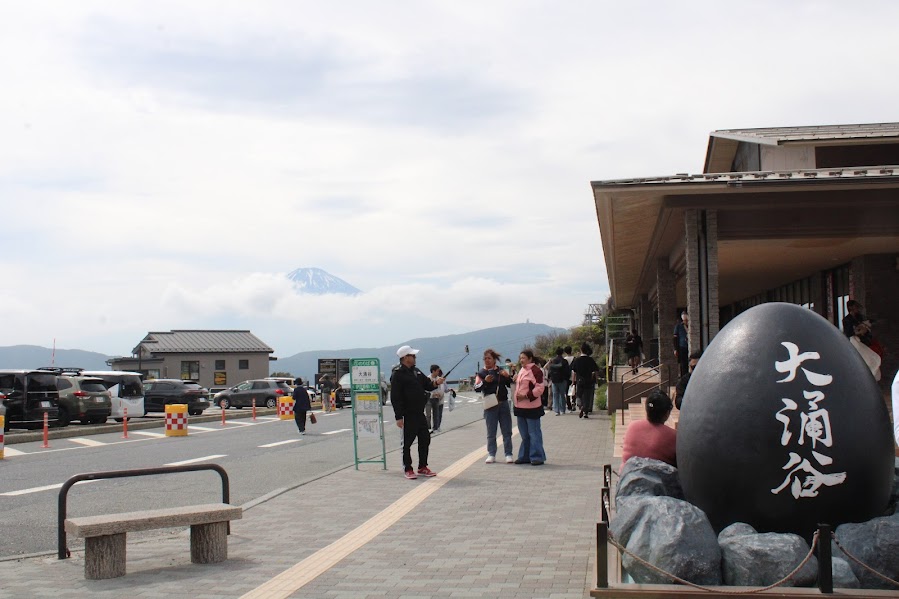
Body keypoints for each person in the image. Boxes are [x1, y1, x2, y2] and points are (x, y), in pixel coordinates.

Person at [391, 345, 443, 480]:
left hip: (420, 413)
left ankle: (422, 466)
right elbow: (395, 397)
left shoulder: (417, 371)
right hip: (407, 414)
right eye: (412, 355)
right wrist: (398, 416)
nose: (415, 357)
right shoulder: (398, 374)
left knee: (425, 438)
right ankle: (408, 468)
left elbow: (428, 385)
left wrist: (436, 383)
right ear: (405, 358)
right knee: (407, 443)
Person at [475, 349, 514, 464]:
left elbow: (510, 384)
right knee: (491, 431)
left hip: (503, 403)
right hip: (490, 404)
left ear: (494, 360)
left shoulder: (501, 371)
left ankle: (508, 454)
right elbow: (477, 388)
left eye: (489, 358)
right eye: (485, 358)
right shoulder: (481, 373)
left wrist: (507, 376)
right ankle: (491, 454)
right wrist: (485, 381)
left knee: (507, 430)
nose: (487, 360)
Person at [621, 388, 677, 466]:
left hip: (627, 472)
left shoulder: (632, 426)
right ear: (667, 413)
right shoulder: (673, 436)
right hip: (657, 473)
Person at [513, 349, 547, 465]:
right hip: (520, 407)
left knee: (534, 433)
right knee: (524, 434)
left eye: (523, 358)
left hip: (532, 408)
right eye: (520, 358)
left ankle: (537, 456)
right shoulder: (522, 370)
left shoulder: (536, 371)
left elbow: (540, 388)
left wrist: (526, 396)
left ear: (530, 358)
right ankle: (525, 456)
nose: (521, 360)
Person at [571, 342, 600, 419]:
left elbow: (574, 372)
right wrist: (596, 380)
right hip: (589, 381)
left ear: (581, 350)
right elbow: (596, 370)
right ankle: (585, 412)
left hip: (579, 381)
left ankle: (581, 406)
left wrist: (573, 381)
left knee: (579, 396)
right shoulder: (590, 360)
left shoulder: (577, 360)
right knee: (587, 397)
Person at [548, 347, 571, 415]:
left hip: (554, 380)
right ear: (562, 353)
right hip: (562, 380)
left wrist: (551, 378)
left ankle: (556, 410)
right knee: (562, 395)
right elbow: (568, 371)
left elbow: (550, 370)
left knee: (555, 395)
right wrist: (566, 378)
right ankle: (562, 409)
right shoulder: (564, 361)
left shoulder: (553, 361)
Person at [426, 365, 446, 433]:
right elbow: (426, 389)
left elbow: (441, 388)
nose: (438, 372)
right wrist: (433, 394)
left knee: (436, 414)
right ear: (433, 371)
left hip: (437, 398)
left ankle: (436, 428)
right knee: (428, 414)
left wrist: (439, 394)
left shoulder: (439, 379)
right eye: (437, 371)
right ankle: (428, 428)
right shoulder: (428, 378)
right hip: (429, 398)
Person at [673, 312, 690, 376]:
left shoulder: (690, 325)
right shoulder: (678, 326)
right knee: (683, 364)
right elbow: (675, 338)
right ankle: (684, 376)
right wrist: (675, 349)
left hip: (689, 346)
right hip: (682, 347)